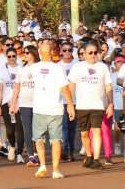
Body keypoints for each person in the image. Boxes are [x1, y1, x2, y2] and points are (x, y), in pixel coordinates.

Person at [30, 40, 75, 179]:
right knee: (55, 140)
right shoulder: (57, 68)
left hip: (39, 109)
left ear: (39, 53)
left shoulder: (33, 68)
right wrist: (70, 105)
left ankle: (43, 165)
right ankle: (55, 170)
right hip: (55, 109)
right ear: (52, 53)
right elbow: (64, 88)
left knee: (39, 139)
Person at [68, 40, 114, 170]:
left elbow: (108, 86)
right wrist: (70, 103)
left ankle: (96, 159)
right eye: (90, 53)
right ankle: (89, 155)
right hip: (82, 106)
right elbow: (71, 85)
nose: (93, 55)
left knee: (97, 131)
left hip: (98, 105)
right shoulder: (78, 67)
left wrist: (110, 104)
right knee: (84, 134)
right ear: (84, 54)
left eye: (95, 52)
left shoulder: (102, 67)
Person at [10, 46, 40, 166]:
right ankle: (31, 156)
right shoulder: (21, 70)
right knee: (27, 130)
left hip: (39, 103)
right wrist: (13, 103)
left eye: (27, 53)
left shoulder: (40, 68)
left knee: (39, 131)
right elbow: (17, 87)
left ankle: (38, 153)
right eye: (24, 53)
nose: (25, 55)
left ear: (33, 53)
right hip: (25, 104)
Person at [0, 47, 24, 163]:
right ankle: (12, 146)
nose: (12, 58)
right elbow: (0, 89)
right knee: (10, 130)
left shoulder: (21, 69)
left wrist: (17, 100)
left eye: (14, 56)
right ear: (6, 57)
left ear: (16, 56)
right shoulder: (2, 70)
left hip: (20, 103)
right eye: (9, 56)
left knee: (20, 129)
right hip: (6, 103)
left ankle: (19, 153)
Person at [57, 40, 78, 161]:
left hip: (75, 101)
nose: (67, 52)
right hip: (61, 101)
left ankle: (71, 151)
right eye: (64, 50)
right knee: (63, 127)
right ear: (61, 51)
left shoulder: (77, 65)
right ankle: (64, 150)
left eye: (69, 50)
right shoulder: (57, 66)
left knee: (72, 128)